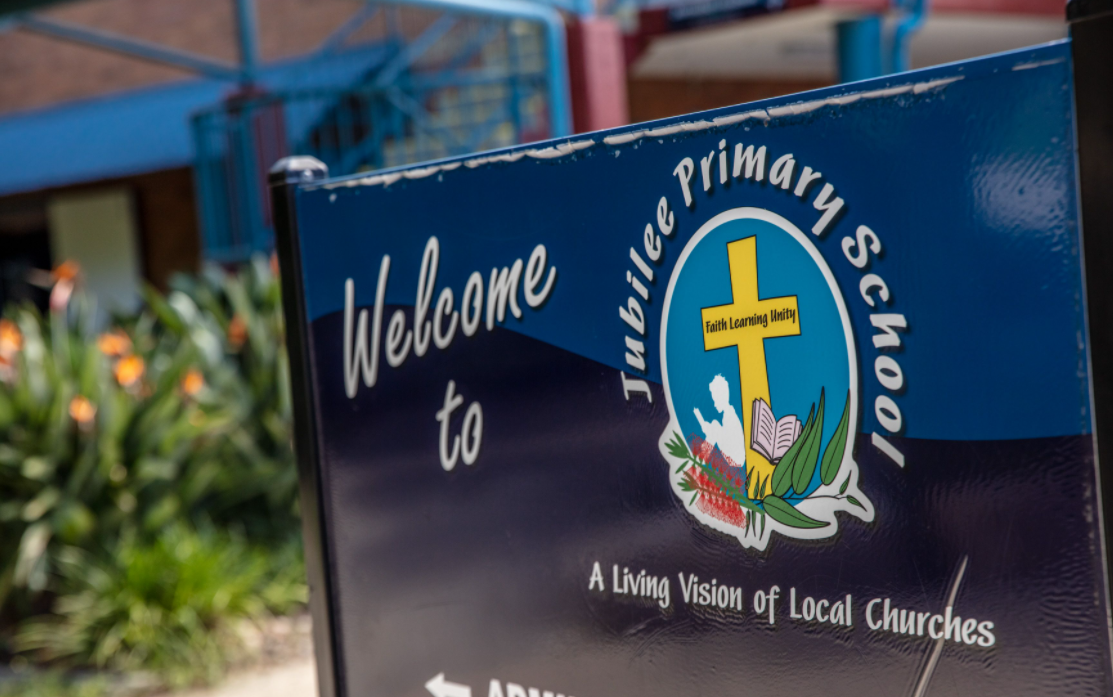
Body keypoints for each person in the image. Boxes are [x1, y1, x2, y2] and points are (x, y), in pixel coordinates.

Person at [694, 374, 747, 467]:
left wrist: (710, 430)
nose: (714, 404)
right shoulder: (729, 413)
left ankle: (699, 463)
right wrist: (709, 430)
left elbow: (727, 439)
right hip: (734, 455)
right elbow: (724, 436)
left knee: (715, 425)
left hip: (736, 459)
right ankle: (700, 461)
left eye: (715, 399)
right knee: (714, 426)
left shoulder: (730, 415)